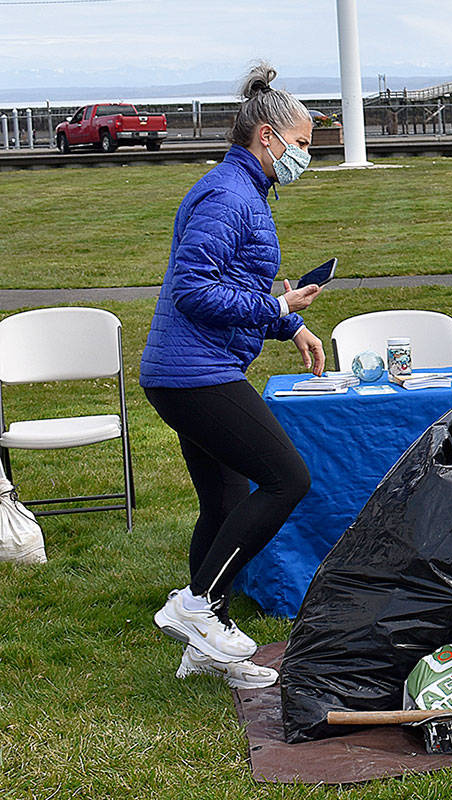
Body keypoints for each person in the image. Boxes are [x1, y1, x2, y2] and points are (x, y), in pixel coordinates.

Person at [141, 62, 325, 690]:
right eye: (301, 143)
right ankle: (197, 607)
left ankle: (206, 647)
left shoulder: (242, 189)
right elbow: (194, 291)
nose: (305, 156)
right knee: (287, 479)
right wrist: (278, 306)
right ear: (267, 137)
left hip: (188, 370)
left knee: (222, 503)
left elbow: (233, 290)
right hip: (194, 374)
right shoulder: (230, 195)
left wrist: (288, 323)